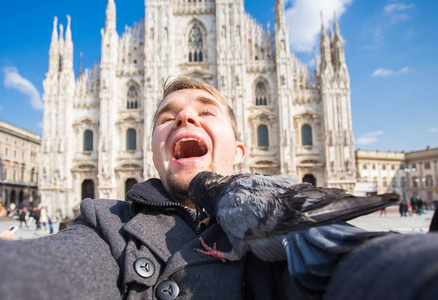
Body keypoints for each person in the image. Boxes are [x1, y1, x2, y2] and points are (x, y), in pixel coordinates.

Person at [0, 78, 437, 300]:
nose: (186, 118)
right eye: (167, 116)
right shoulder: (110, 226)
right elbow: (54, 269)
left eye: (205, 111)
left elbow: (361, 262)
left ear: (242, 149)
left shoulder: (273, 224)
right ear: (153, 150)